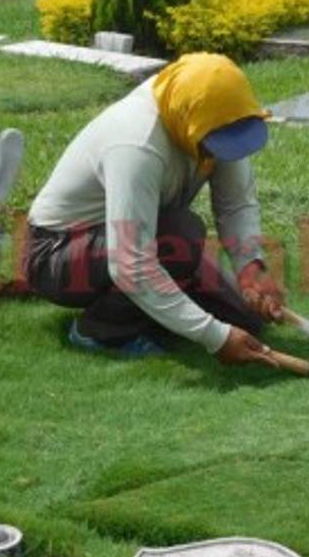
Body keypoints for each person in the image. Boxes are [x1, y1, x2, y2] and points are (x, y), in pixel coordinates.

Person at [26, 52, 285, 366]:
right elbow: (130, 263)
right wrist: (215, 338)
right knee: (184, 235)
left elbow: (236, 205)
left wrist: (249, 269)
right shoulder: (136, 142)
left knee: (244, 320)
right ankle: (98, 331)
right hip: (57, 255)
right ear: (189, 122)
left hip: (144, 235)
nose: (221, 153)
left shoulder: (218, 117)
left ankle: (150, 313)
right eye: (217, 142)